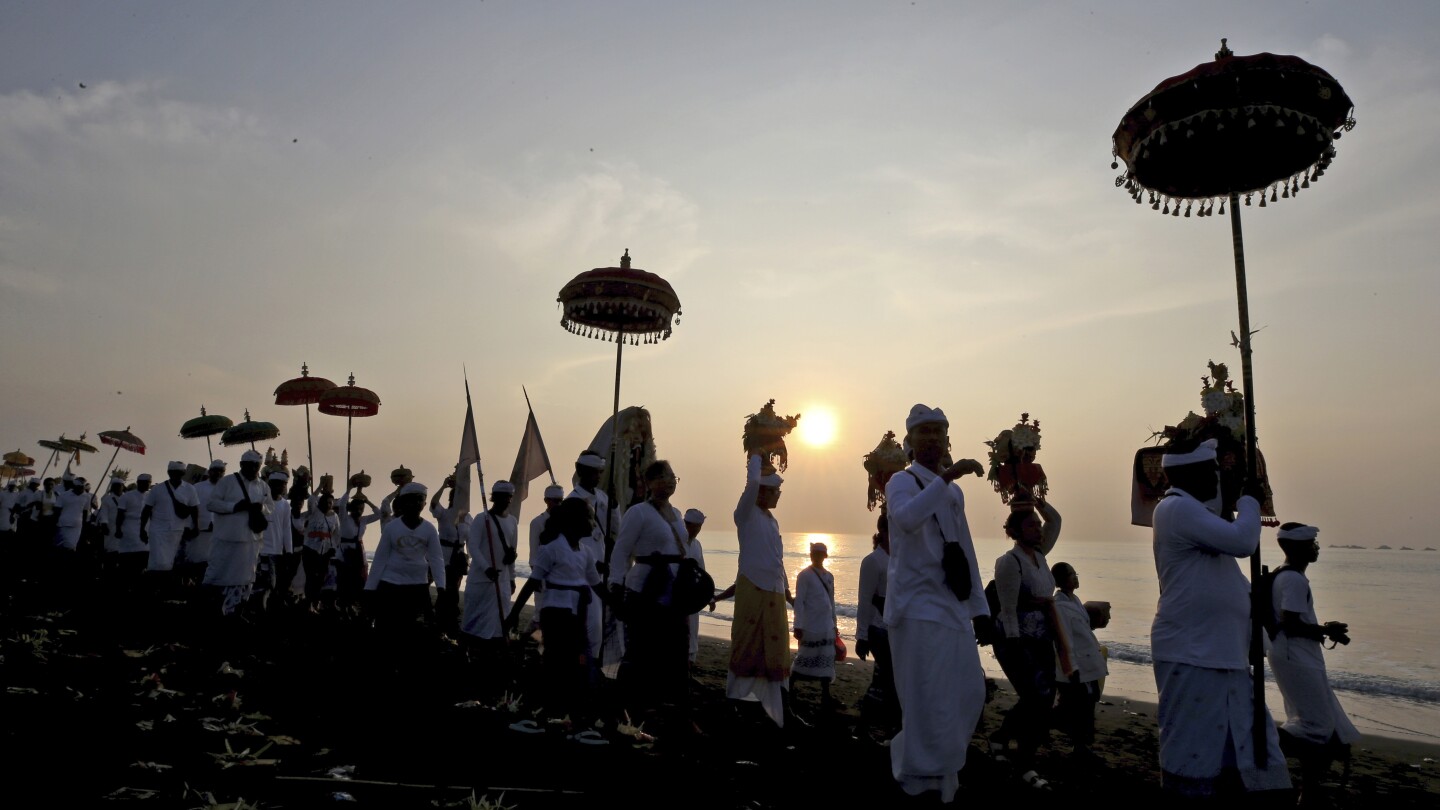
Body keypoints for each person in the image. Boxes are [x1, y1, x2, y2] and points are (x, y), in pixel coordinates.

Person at [1151, 439, 1289, 798]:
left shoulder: (1197, 515)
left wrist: (1236, 492)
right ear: (1196, 474)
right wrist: (1248, 499)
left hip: (1221, 654)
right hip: (1191, 652)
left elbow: (1224, 520)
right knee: (1192, 751)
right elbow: (1244, 541)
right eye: (1214, 471)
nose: (1218, 479)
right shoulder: (1176, 509)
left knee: (1246, 749)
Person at [883, 404, 989, 803]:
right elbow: (907, 519)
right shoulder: (901, 481)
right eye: (923, 432)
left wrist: (980, 610)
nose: (931, 438)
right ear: (909, 440)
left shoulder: (953, 491)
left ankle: (939, 769)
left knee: (967, 692)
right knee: (927, 696)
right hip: (915, 606)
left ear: (947, 439)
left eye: (938, 431)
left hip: (952, 606)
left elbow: (966, 550)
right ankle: (919, 778)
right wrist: (946, 478)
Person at [1267, 522, 1358, 805]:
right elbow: (1290, 623)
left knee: (1320, 726)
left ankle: (1309, 791)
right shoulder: (1294, 580)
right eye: (1310, 544)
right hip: (1297, 658)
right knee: (1316, 727)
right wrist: (1325, 631)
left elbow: (1290, 620)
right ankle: (1262, 743)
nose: (1315, 548)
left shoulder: (1284, 576)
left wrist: (1320, 628)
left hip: (1292, 655)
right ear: (1296, 548)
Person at [612, 460, 693, 727]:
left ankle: (680, 715)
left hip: (674, 591)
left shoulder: (678, 514)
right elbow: (622, 551)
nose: (668, 482)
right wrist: (616, 585)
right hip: (645, 588)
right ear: (648, 483)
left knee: (678, 653)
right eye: (661, 478)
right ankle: (625, 710)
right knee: (639, 651)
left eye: (671, 477)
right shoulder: (639, 513)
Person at [989, 499, 1063, 780]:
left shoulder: (1041, 555)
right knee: (1033, 697)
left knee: (1044, 697)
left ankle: (1002, 737)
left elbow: (1055, 521)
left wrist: (1036, 502)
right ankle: (1025, 758)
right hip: (1017, 639)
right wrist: (1014, 645)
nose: (1038, 529)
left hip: (1043, 636)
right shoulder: (1010, 562)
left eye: (1036, 524)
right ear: (1016, 531)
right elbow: (1008, 608)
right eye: (1031, 525)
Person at [727, 452, 792, 727]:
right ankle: (737, 704)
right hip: (753, 588)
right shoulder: (746, 513)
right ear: (761, 491)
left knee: (776, 651)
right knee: (747, 647)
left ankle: (776, 709)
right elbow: (751, 484)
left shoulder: (772, 521)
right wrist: (755, 455)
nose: (778, 495)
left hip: (774, 593)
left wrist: (787, 591)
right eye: (774, 490)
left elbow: (778, 561)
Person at [529, 497, 606, 723]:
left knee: (575, 661)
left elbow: (597, 585)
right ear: (575, 521)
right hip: (555, 614)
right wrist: (514, 615)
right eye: (591, 518)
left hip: (576, 616)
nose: (594, 524)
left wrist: (618, 606)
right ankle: (547, 709)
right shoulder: (552, 549)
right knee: (556, 661)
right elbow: (533, 582)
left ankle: (566, 710)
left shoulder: (585, 552)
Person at [365, 481, 445, 633]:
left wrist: (441, 587)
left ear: (425, 503)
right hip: (391, 583)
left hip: (417, 584)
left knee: (410, 625)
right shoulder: (391, 528)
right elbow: (380, 559)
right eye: (412, 499)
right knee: (387, 625)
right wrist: (369, 588)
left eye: (420, 499)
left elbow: (436, 559)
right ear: (403, 502)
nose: (416, 503)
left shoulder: (429, 529)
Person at [202, 450, 272, 617]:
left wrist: (260, 507)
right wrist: (234, 507)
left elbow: (270, 508)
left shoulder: (263, 486)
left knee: (245, 579)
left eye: (257, 465)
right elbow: (211, 504)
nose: (254, 469)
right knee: (217, 577)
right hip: (226, 540)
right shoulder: (227, 482)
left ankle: (236, 612)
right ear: (242, 465)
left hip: (250, 541)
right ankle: (209, 611)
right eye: (251, 465)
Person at [1049, 561, 1107, 762]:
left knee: (1086, 704)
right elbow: (1065, 640)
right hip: (1076, 666)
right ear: (1061, 580)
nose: (1075, 577)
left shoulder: (1074, 600)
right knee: (1077, 707)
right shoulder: (1060, 606)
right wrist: (1071, 668)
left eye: (1075, 573)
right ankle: (1079, 746)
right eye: (1071, 574)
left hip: (1088, 663)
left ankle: (1081, 747)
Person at [570, 451, 617, 667]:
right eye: (591, 472)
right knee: (587, 627)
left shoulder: (603, 498)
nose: (596, 477)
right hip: (580, 574)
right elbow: (572, 541)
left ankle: (591, 668)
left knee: (598, 627)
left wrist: (615, 507)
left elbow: (615, 529)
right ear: (580, 471)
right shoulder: (573, 501)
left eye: (599, 473)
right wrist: (592, 562)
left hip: (600, 574)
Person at [461, 481, 518, 650]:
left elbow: (511, 551)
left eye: (509, 497)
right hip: (481, 579)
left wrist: (512, 577)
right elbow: (473, 546)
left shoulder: (513, 521)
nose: (506, 500)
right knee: (474, 620)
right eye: (502, 497)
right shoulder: (481, 518)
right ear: (494, 498)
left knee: (500, 622)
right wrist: (486, 568)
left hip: (503, 580)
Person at [856, 512, 897, 726]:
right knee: (889, 678)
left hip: (895, 628)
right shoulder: (872, 562)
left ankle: (866, 725)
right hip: (877, 628)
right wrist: (862, 636)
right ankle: (888, 727)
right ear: (882, 532)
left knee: (884, 679)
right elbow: (864, 600)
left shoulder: (899, 559)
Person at [791, 541, 838, 710]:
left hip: (826, 625)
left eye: (820, 554)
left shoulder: (829, 576)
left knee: (827, 660)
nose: (817, 557)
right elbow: (800, 602)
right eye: (815, 554)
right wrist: (798, 625)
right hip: (810, 625)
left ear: (824, 556)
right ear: (811, 555)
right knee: (804, 658)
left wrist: (834, 624)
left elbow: (831, 602)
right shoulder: (804, 575)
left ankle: (826, 695)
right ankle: (790, 685)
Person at [141, 461, 201, 590]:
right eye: (174, 473)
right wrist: (142, 529)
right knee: (157, 562)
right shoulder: (157, 489)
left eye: (180, 473)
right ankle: (152, 588)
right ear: (169, 473)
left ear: (184, 473)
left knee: (173, 562)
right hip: (158, 531)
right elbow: (146, 510)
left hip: (178, 531)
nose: (177, 475)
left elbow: (194, 509)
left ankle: (168, 589)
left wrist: (196, 526)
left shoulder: (190, 489)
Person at [430, 476, 467, 632]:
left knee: (454, 589)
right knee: (444, 588)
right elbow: (433, 504)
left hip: (459, 557)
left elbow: (471, 539)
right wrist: (444, 485)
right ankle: (440, 617)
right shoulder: (444, 513)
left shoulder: (468, 518)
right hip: (443, 556)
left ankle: (450, 618)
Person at [253, 470, 293, 614]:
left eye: (283, 485)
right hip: (259, 549)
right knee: (264, 582)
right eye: (277, 484)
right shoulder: (261, 501)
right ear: (270, 485)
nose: (281, 487)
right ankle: (258, 609)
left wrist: (288, 551)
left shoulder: (285, 505)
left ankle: (259, 608)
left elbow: (286, 528)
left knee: (270, 584)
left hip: (276, 551)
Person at [184, 459, 227, 588]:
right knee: (196, 560)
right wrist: (188, 526)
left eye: (221, 471)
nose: (218, 474)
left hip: (219, 532)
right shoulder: (197, 488)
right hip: (199, 531)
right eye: (215, 471)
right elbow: (189, 508)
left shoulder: (228, 489)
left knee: (215, 562)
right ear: (209, 472)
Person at [113, 473, 152, 592]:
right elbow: (120, 514)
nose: (147, 485)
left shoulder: (150, 496)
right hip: (129, 528)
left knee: (143, 555)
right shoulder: (127, 496)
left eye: (148, 483)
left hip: (146, 528)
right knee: (128, 558)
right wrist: (118, 529)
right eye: (145, 483)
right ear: (139, 483)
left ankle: (138, 585)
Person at [681, 508, 710, 665]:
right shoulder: (677, 542)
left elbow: (702, 572)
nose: (697, 530)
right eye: (694, 526)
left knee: (692, 629)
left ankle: (690, 664)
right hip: (678, 596)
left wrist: (709, 596)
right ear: (686, 524)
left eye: (699, 527)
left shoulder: (697, 545)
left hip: (693, 598)